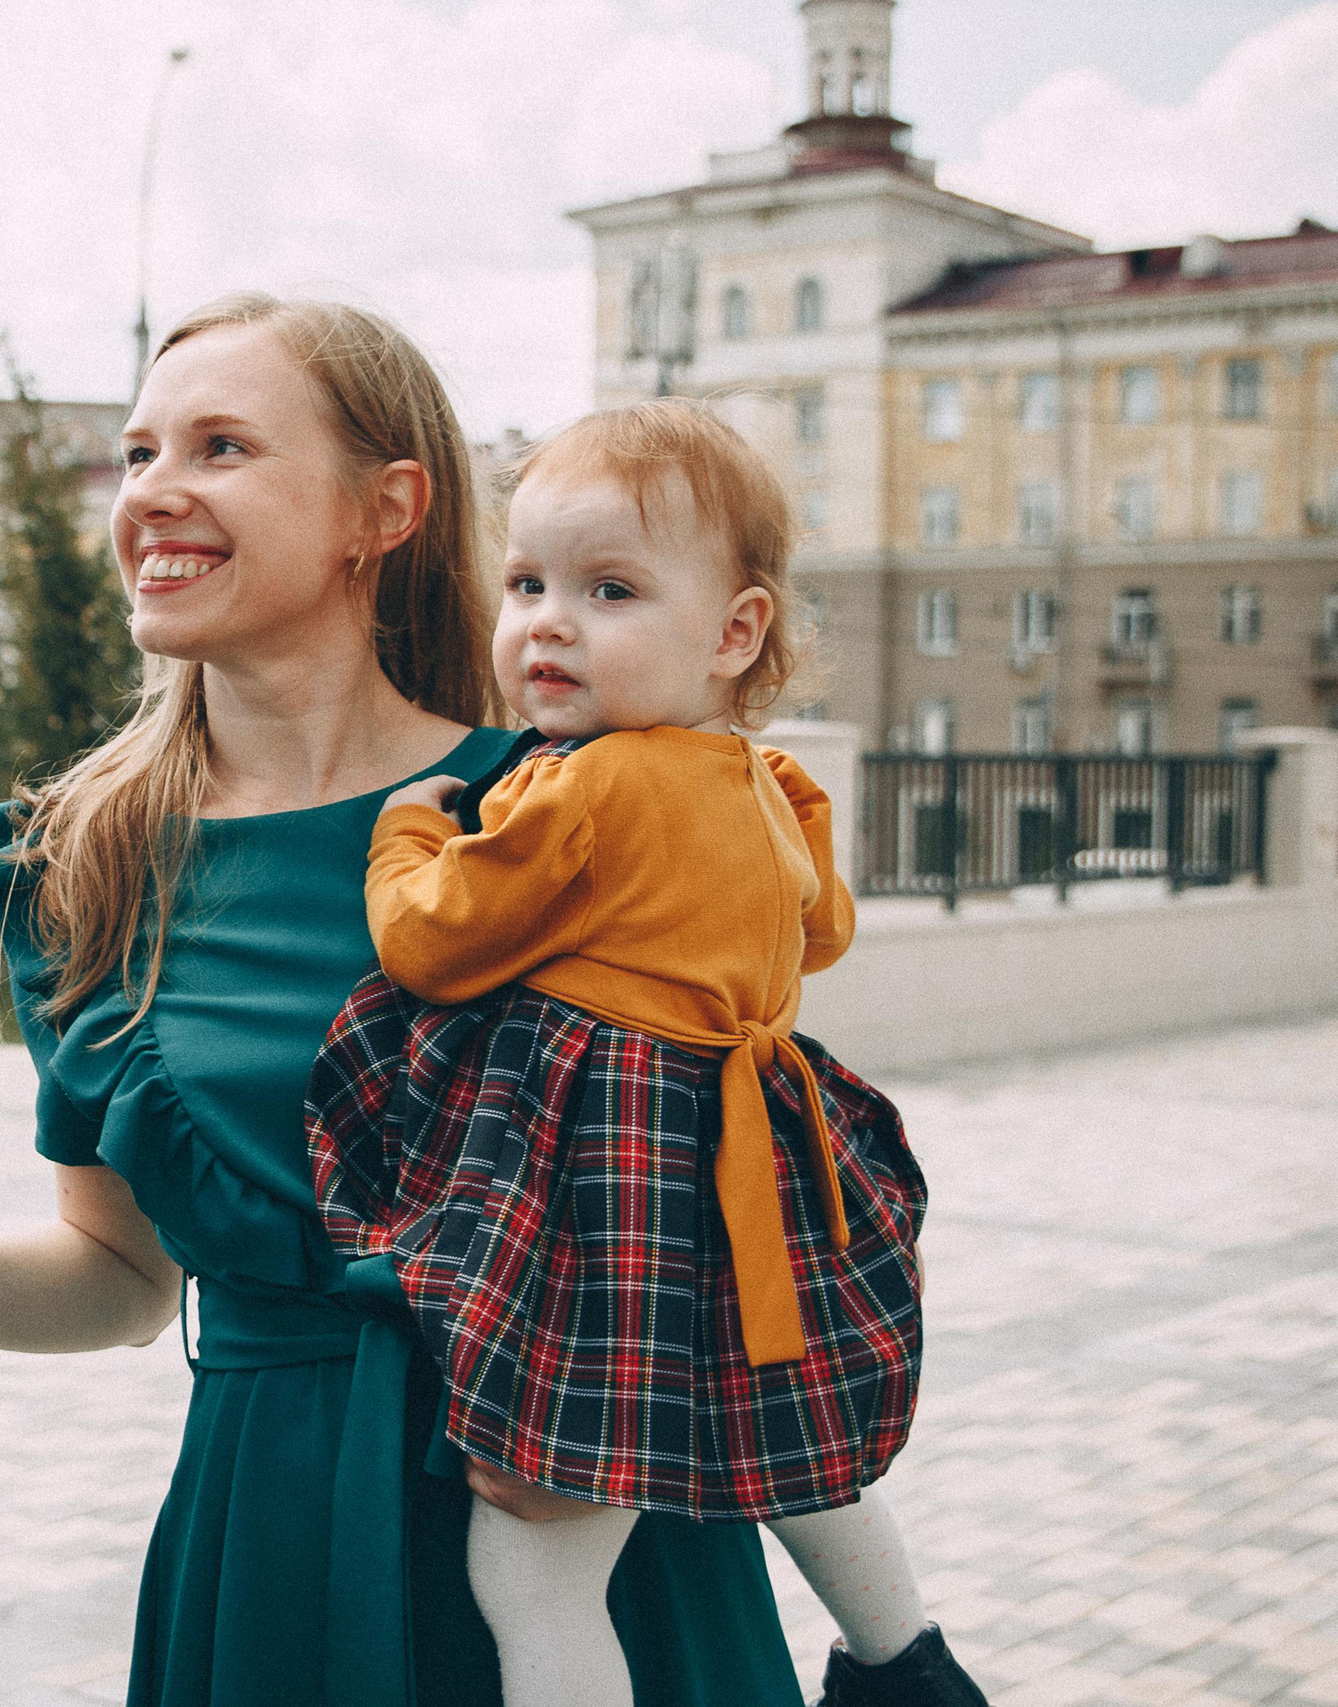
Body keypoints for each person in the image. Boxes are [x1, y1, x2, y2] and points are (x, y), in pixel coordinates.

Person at [0, 294, 808, 1706]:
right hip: (276, 1532)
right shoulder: (82, 867)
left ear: (385, 509)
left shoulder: (568, 803)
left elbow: (732, 1165)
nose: (154, 494)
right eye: (136, 452)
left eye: (221, 446)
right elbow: (117, 1276)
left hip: (574, 1505)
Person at [305, 399, 980, 1707]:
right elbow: (819, 933)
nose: (549, 622)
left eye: (609, 590)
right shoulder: (769, 788)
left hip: (614, 1207)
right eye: (528, 583)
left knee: (535, 1567)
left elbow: (434, 943)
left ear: (736, 634)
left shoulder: (589, 785)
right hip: (759, 1190)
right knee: (799, 1453)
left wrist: (408, 836)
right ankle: (909, 1669)